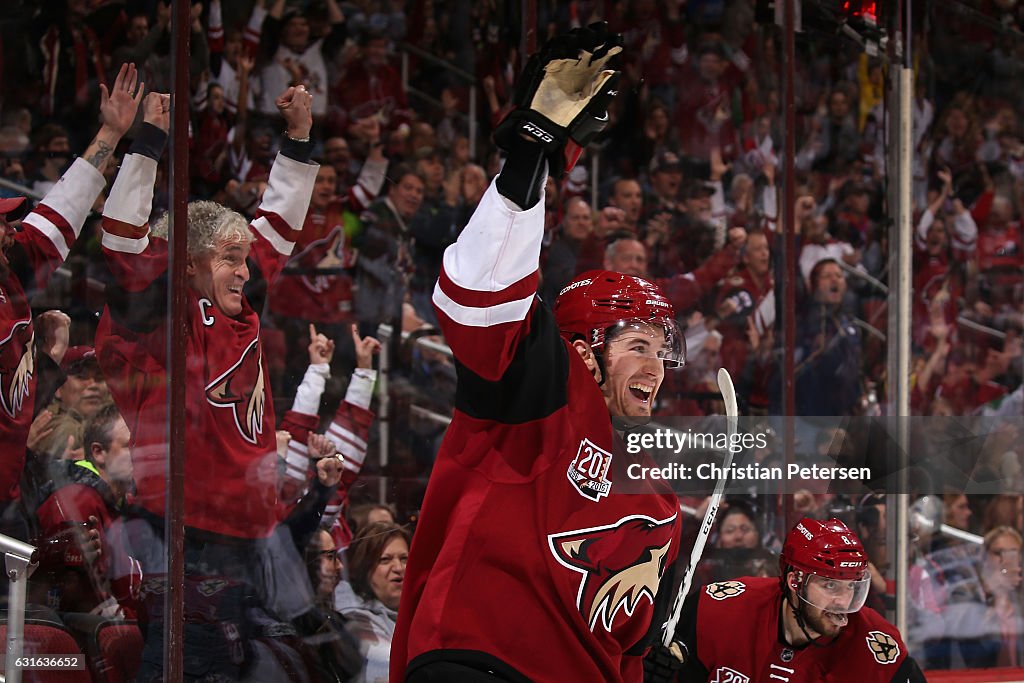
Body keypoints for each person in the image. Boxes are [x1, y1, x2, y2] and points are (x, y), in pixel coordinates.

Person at [392, 24, 686, 682]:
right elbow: (477, 300)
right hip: (479, 663)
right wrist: (532, 156)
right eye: (638, 344)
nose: (656, 366)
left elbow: (629, 637)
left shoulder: (659, 498)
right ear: (583, 352)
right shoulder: (543, 384)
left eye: (661, 350)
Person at [94, 83, 316, 681]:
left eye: (244, 260)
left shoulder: (239, 306)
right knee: (191, 670)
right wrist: (148, 145)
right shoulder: (170, 322)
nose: (246, 271)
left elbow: (280, 228)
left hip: (248, 532)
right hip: (186, 534)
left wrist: (298, 140)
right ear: (186, 262)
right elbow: (121, 245)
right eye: (229, 259)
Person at [0, 63, 143, 540]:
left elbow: (62, 213)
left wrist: (110, 132)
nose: (10, 232)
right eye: (1, 224)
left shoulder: (11, 264)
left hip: (11, 488)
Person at [651, 517, 925, 682]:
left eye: (851, 586)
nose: (844, 602)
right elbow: (660, 669)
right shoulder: (719, 611)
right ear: (795, 582)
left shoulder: (877, 651)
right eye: (830, 585)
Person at [343, 521, 410, 681]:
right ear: (363, 567)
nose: (398, 568)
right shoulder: (356, 621)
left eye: (404, 558)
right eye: (385, 560)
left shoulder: (418, 614)